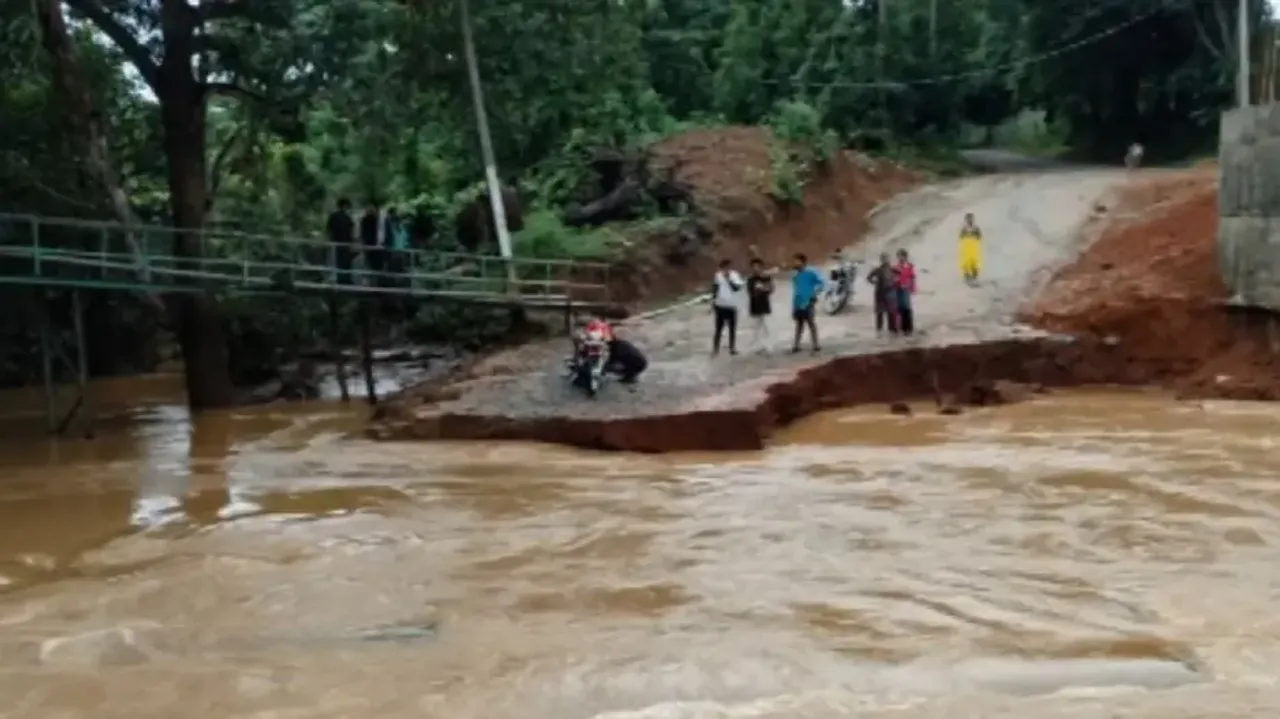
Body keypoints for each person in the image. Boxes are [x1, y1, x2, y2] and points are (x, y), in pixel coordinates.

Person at [790, 253, 824, 353]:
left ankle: (816, 344)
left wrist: (814, 294)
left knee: (811, 322)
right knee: (799, 324)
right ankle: (796, 345)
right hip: (798, 302)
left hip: (808, 301)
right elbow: (796, 290)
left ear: (803, 262)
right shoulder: (795, 275)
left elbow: (821, 284)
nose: (795, 263)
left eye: (797, 261)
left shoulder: (810, 273)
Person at [710, 258, 744, 356]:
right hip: (720, 305)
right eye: (724, 268)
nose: (726, 269)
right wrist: (713, 300)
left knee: (732, 327)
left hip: (732, 305)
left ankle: (732, 347)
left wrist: (728, 279)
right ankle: (715, 348)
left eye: (727, 267)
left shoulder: (735, 275)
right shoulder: (718, 275)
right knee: (718, 328)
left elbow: (736, 288)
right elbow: (715, 288)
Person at [867, 252, 899, 335]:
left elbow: (900, 276)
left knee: (891, 313)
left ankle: (892, 331)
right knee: (880, 314)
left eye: (886, 258)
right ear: (881, 260)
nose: (885, 260)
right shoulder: (878, 269)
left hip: (890, 294)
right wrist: (874, 282)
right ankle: (879, 331)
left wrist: (895, 282)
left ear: (889, 259)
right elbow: (869, 278)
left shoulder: (893, 269)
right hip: (880, 294)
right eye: (883, 258)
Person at [745, 258, 774, 352]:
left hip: (765, 304)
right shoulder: (750, 279)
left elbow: (771, 289)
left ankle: (767, 345)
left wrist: (764, 288)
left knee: (766, 325)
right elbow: (750, 292)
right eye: (754, 267)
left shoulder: (766, 277)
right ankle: (757, 345)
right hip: (755, 304)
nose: (756, 268)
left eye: (758, 266)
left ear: (761, 267)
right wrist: (759, 289)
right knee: (756, 326)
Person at [325, 198, 355, 285]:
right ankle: (346, 279)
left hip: (336, 242)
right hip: (346, 242)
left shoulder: (333, 216)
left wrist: (331, 238)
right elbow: (351, 229)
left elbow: (328, 229)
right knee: (346, 261)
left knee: (338, 261)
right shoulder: (347, 217)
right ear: (345, 206)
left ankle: (340, 278)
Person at [360, 200, 386, 284]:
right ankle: (375, 282)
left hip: (368, 244)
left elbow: (362, 232)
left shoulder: (365, 220)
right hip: (375, 244)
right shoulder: (377, 219)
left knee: (368, 263)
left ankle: (369, 281)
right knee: (375, 264)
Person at [894, 248, 916, 335]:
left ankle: (909, 328)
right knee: (900, 308)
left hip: (906, 290)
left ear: (905, 257)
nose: (900, 258)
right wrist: (897, 282)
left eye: (902, 256)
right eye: (899, 256)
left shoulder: (909, 266)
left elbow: (912, 277)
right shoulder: (895, 267)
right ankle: (902, 328)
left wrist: (911, 287)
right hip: (898, 289)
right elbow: (894, 278)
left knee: (907, 308)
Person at [958, 212, 982, 284]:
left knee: (974, 262)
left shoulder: (976, 228)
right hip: (966, 248)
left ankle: (974, 277)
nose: (969, 220)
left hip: (973, 248)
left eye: (971, 219)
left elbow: (979, 237)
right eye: (968, 219)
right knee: (966, 262)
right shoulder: (964, 229)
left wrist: (974, 238)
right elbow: (961, 237)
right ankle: (967, 277)